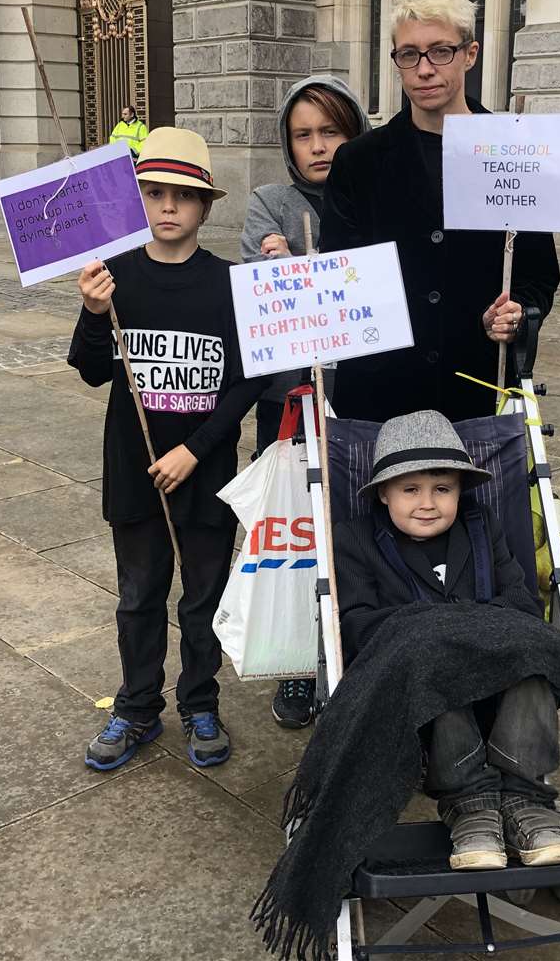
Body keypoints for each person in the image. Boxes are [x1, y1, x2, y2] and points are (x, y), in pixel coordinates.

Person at [68, 127, 267, 772]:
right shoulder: (114, 277)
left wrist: (195, 449)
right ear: (137, 202)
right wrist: (96, 313)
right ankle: (135, 706)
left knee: (203, 596)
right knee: (139, 594)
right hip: (134, 471)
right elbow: (91, 368)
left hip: (203, 474)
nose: (168, 208)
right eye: (154, 194)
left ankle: (200, 700)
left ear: (205, 207)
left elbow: (246, 383)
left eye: (183, 196)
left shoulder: (227, 284)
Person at [333, 410, 560, 871]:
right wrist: (449, 630)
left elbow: (520, 601)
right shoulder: (355, 539)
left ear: (460, 491)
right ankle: (469, 802)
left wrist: (469, 632)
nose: (427, 502)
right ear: (384, 493)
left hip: (499, 680)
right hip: (417, 697)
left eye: (442, 489)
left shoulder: (480, 527)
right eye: (410, 489)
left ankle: (527, 799)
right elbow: (357, 627)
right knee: (437, 658)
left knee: (534, 649)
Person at [320, 0, 560, 422]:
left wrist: (517, 313)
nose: (424, 68)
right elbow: (339, 271)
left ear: (469, 54)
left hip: (475, 384)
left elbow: (538, 274)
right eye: (409, 54)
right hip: (382, 391)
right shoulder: (358, 161)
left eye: (440, 51)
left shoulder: (513, 150)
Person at [239, 75, 369, 733]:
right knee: (295, 528)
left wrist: (303, 272)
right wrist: (284, 272)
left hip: (364, 393)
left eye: (331, 131)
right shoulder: (268, 201)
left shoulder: (374, 198)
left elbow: (379, 286)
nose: (318, 146)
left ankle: (351, 646)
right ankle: (297, 654)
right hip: (290, 400)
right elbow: (260, 301)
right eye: (304, 134)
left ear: (353, 133)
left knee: (357, 522)